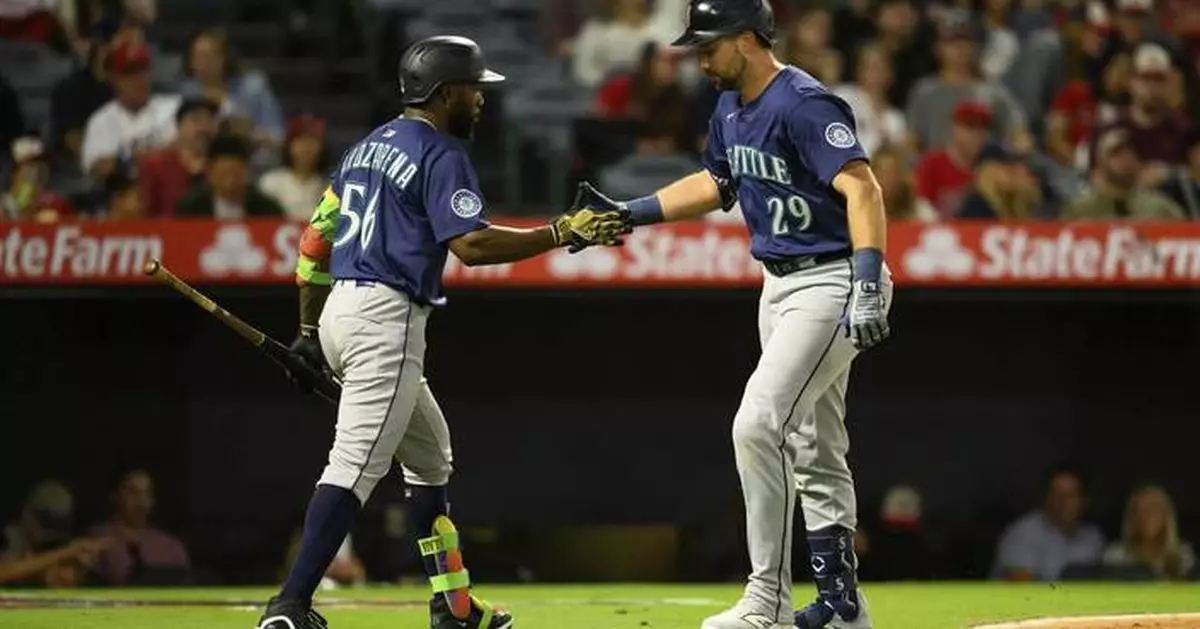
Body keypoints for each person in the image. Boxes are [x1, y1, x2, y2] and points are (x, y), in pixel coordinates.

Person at [255, 35, 627, 629]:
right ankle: (290, 605)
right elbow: (471, 245)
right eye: (474, 89)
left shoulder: (363, 150)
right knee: (352, 466)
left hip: (340, 312)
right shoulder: (439, 149)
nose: (480, 99)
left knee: (430, 458)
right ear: (445, 92)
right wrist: (559, 232)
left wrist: (307, 330)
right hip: (386, 319)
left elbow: (314, 242)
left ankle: (452, 606)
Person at [588, 1, 892, 627]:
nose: (700, 59)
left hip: (832, 277)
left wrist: (867, 279)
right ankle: (841, 605)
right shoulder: (729, 107)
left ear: (748, 38)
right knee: (814, 445)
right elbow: (715, 183)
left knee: (759, 425)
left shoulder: (802, 102)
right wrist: (630, 212)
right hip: (779, 284)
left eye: (710, 45)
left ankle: (766, 600)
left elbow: (863, 187)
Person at [991, 466, 1105, 582]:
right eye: (1057, 495)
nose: (1062, 502)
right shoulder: (1023, 533)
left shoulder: (1093, 537)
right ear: (1046, 498)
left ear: (1084, 501)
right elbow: (1020, 587)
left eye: (1070, 496)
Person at [1102, 485, 1195, 581]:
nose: (1147, 515)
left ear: (1166, 516)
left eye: (1153, 508)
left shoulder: (1183, 556)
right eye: (1139, 510)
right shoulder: (1116, 556)